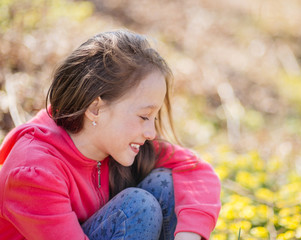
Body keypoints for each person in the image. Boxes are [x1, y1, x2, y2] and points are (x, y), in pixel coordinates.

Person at [0, 30, 221, 240]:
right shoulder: (33, 173)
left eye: (154, 118)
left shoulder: (116, 142)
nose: (151, 133)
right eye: (144, 116)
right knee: (138, 207)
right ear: (95, 108)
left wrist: (188, 234)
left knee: (166, 183)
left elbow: (196, 170)